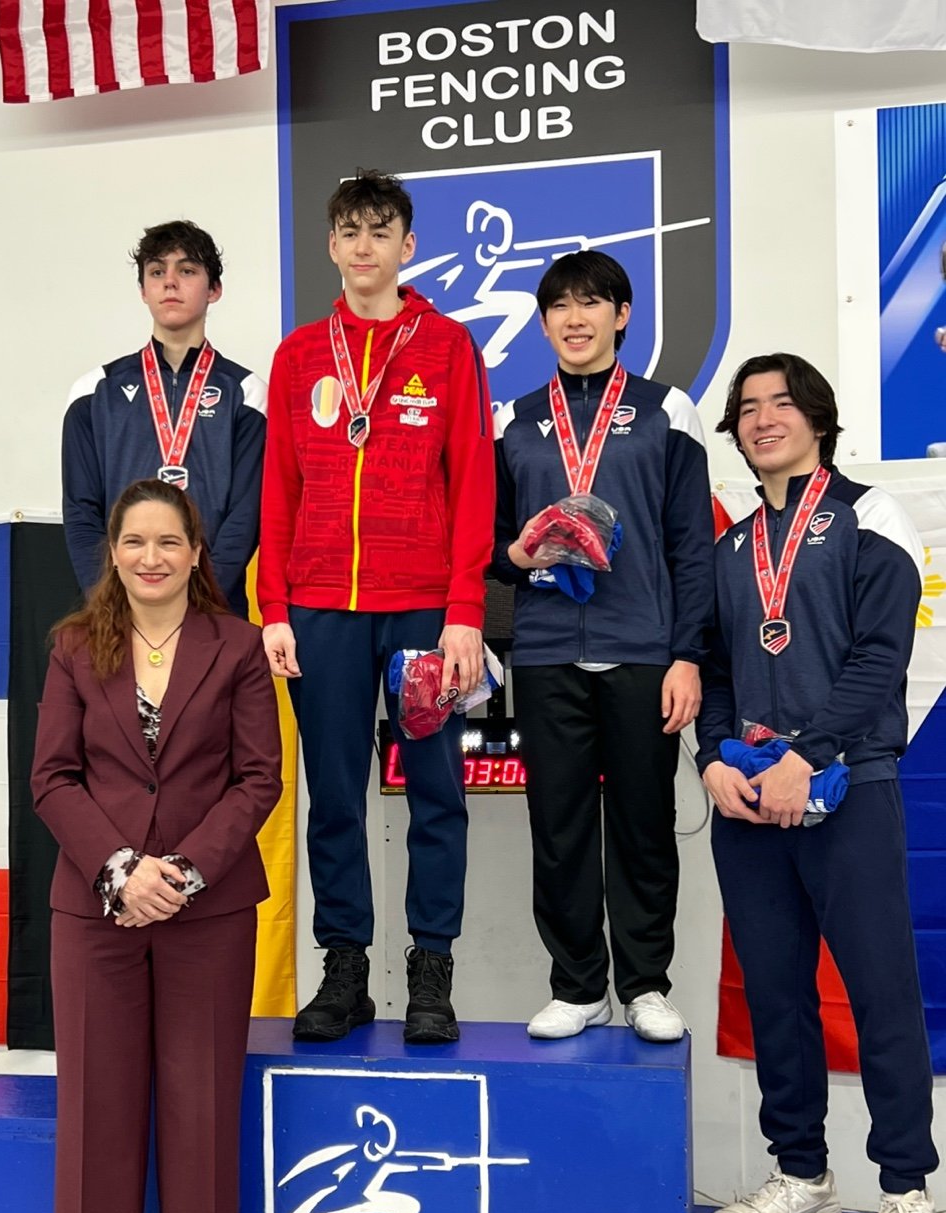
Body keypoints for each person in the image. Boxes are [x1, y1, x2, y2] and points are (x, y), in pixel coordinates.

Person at [31, 478, 282, 1213]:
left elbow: (258, 779)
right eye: (134, 542)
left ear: (194, 553)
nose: (150, 558)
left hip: (205, 912)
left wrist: (178, 872)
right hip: (94, 913)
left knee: (199, 1122)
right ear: (115, 553)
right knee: (96, 1128)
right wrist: (121, 868)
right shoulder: (71, 647)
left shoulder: (240, 648)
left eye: (167, 542)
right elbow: (52, 777)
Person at [698, 353, 938, 1213]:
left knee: (880, 994)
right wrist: (714, 757)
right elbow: (713, 667)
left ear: (819, 418)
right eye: (749, 407)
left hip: (848, 790)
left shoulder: (872, 516)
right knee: (776, 995)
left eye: (782, 403)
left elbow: (880, 659)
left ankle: (907, 1189)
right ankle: (802, 1176)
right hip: (750, 804)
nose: (764, 419)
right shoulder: (730, 547)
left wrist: (808, 755)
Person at [257, 168, 495, 1044]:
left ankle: (431, 971)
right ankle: (345, 968)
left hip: (424, 610)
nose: (364, 246)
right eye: (349, 231)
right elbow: (278, 489)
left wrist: (465, 608)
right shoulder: (297, 355)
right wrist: (275, 607)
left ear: (408, 246)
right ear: (332, 247)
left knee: (436, 792)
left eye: (380, 230)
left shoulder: (448, 346)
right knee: (333, 798)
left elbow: (473, 481)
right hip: (319, 611)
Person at [492, 251, 713, 1043]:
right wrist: (520, 555)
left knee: (646, 823)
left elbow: (693, 545)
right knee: (558, 826)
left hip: (644, 648)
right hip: (547, 650)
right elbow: (487, 550)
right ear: (543, 322)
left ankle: (647, 984)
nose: (575, 319)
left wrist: (687, 654)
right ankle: (578, 984)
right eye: (559, 306)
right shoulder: (512, 420)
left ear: (623, 315)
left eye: (593, 303)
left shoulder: (667, 411)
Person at [62, 220, 267, 617]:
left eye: (187, 270)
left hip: (216, 611)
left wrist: (203, 598)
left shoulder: (247, 394)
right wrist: (111, 597)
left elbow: (246, 517)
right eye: (157, 272)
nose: (170, 282)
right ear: (143, 290)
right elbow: (81, 512)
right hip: (119, 613)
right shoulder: (93, 393)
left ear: (214, 290)